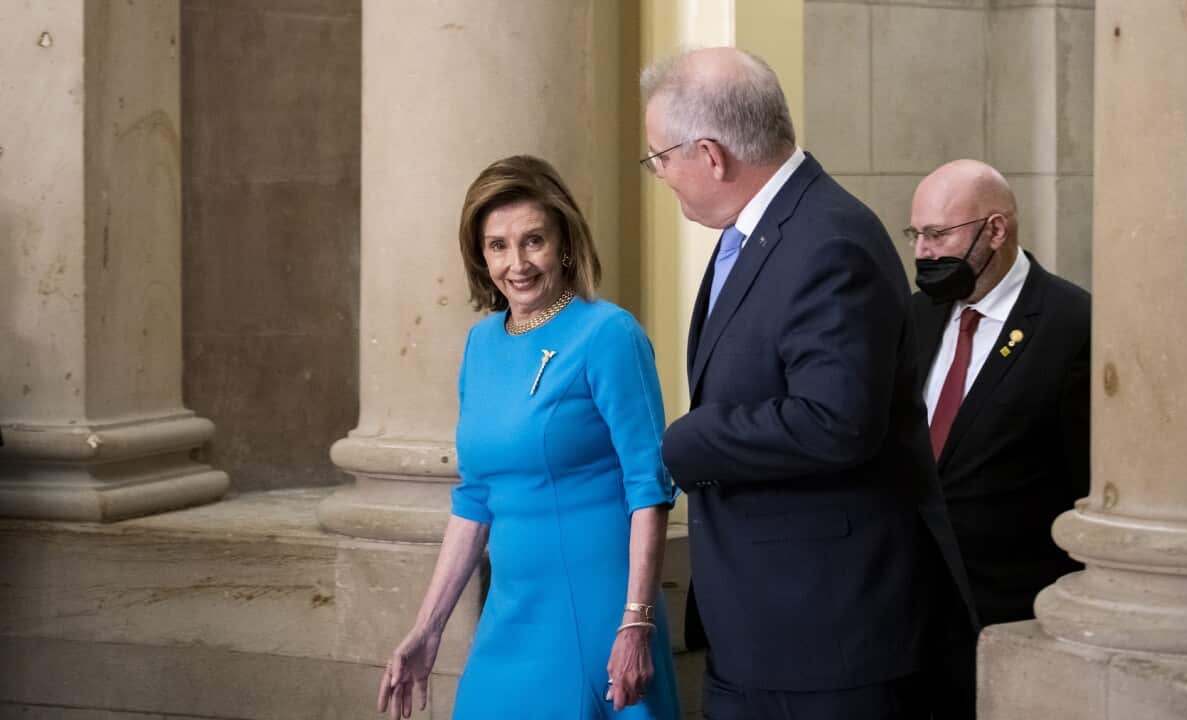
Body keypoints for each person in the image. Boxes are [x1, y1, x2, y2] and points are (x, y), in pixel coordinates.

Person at [643, 48, 976, 719]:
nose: (660, 174)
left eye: (660, 157)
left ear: (711, 155)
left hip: (828, 646)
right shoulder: (766, 230)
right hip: (766, 629)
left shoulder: (828, 238)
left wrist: (690, 438)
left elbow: (835, 421)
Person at [376, 155, 680, 719]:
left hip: (595, 608)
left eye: (533, 240)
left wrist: (635, 620)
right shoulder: (480, 344)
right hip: (510, 612)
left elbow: (649, 487)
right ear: (479, 254)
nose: (516, 263)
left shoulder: (608, 334)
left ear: (564, 242)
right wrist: (428, 628)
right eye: (497, 246)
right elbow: (475, 498)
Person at [908, 159, 1090, 716]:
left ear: (995, 229)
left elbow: (1087, 485)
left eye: (938, 234)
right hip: (910, 616)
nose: (922, 251)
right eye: (915, 234)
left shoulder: (1072, 325)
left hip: (1012, 616)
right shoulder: (916, 314)